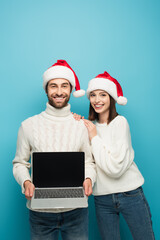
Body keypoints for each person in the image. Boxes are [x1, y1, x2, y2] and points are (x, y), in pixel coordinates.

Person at [13, 59, 96, 240]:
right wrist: (26, 182)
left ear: (71, 89)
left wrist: (89, 178)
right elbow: (20, 163)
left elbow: (89, 161)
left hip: (76, 212)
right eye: (53, 86)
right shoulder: (28, 125)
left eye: (64, 86)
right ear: (46, 89)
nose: (59, 92)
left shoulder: (80, 125)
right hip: (40, 213)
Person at [74, 71, 155, 240]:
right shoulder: (89, 127)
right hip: (102, 198)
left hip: (129, 194)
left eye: (103, 95)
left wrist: (94, 137)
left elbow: (115, 168)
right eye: (93, 95)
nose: (97, 100)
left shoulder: (120, 123)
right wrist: (73, 123)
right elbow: (83, 160)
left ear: (111, 98)